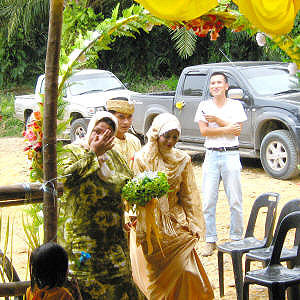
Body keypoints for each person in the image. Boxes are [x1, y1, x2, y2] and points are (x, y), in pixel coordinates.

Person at [130, 113, 214, 300]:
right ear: (155, 134)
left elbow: (189, 195)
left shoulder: (182, 159)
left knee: (186, 270)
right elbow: (133, 194)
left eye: (175, 137)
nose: (170, 141)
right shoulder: (142, 159)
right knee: (157, 277)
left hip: (176, 225)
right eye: (166, 136)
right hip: (151, 226)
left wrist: (194, 223)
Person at [60, 111, 139, 299]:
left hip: (113, 239)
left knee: (120, 285)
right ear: (89, 130)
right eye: (97, 131)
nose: (100, 137)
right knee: (86, 288)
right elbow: (65, 180)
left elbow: (129, 181)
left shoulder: (115, 156)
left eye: (108, 134)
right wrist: (93, 154)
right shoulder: (73, 152)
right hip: (83, 239)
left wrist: (142, 191)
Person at [194, 71, 247, 257]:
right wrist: (226, 127)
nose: (215, 85)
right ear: (210, 87)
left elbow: (237, 131)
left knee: (235, 199)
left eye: (219, 82)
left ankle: (236, 238)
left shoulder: (236, 106)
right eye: (212, 83)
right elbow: (204, 132)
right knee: (208, 200)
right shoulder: (203, 105)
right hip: (211, 155)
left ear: (226, 86)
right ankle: (210, 240)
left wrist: (216, 121)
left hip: (231, 154)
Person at [106, 97, 142, 168]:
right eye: (121, 117)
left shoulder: (135, 141)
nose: (126, 122)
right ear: (110, 117)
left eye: (129, 117)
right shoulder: (104, 142)